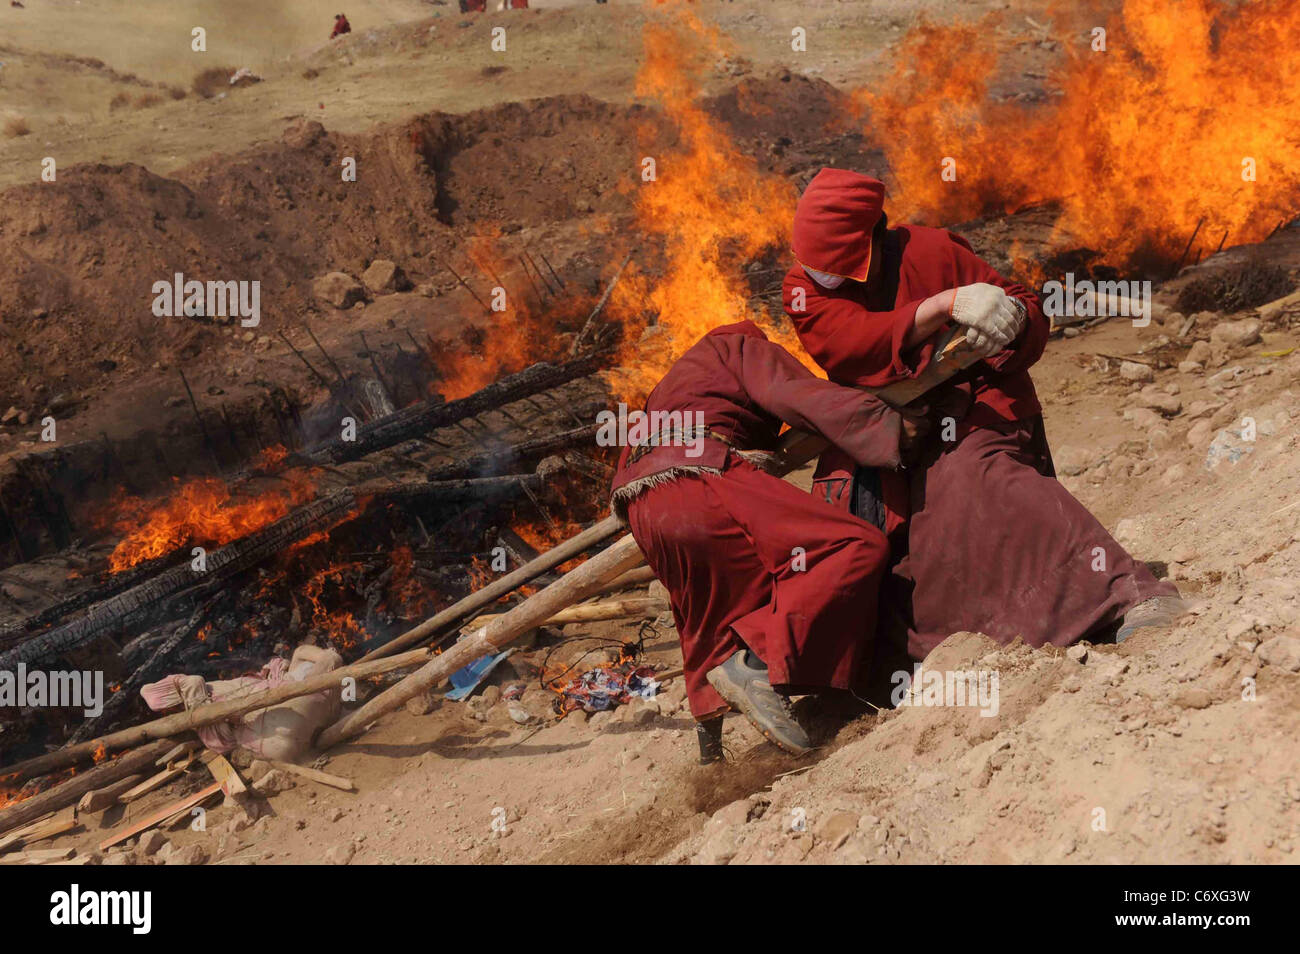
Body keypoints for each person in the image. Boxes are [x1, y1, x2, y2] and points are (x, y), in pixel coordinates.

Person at [781, 168, 1183, 665]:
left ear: (869, 240)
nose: (819, 273)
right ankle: (915, 656)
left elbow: (1025, 307)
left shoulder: (931, 252)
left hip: (973, 410)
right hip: (881, 433)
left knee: (982, 478)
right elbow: (849, 344)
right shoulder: (803, 289)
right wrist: (941, 306)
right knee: (881, 545)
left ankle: (1126, 591)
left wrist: (1010, 322)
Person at [610, 320, 915, 759]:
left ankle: (711, 750)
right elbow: (796, 395)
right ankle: (755, 663)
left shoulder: (670, 386)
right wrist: (883, 426)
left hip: (641, 507)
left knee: (703, 611)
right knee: (853, 547)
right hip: (700, 475)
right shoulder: (737, 348)